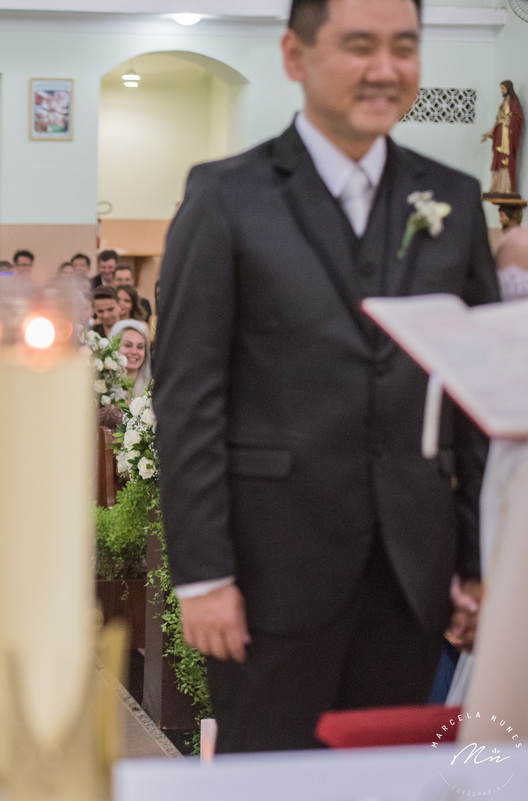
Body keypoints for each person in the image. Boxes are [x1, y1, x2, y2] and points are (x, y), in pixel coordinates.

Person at [153, 0, 499, 754]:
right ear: (295, 55)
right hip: (268, 570)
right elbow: (187, 398)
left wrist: (475, 561)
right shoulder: (226, 197)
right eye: (360, 46)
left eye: (404, 47)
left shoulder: (454, 200)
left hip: (412, 572)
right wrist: (203, 574)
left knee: (389, 774)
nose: (385, 69)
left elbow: (477, 395)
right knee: (271, 776)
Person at [482, 80, 524, 198]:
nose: (502, 91)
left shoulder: (514, 103)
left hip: (507, 137)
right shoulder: (504, 102)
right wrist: (492, 131)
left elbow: (517, 118)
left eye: (503, 89)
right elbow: (498, 120)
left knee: (505, 161)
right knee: (497, 160)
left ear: (509, 89)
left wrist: (508, 121)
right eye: (501, 89)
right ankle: (496, 187)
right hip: (500, 135)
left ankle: (506, 188)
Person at [111, 319, 151, 399]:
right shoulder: (103, 386)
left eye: (140, 347)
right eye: (128, 345)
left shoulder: (153, 386)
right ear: (115, 348)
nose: (134, 352)